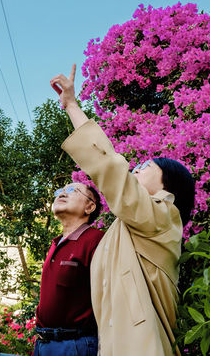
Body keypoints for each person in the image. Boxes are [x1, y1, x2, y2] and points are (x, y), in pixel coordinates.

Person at [51, 64, 196, 356]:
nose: (135, 170)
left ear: (168, 188)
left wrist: (72, 107)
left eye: (144, 167)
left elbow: (109, 168)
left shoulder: (163, 216)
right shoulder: (130, 225)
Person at [34, 179, 104, 355]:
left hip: (74, 345)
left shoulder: (96, 240)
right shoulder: (56, 243)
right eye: (60, 191)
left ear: (89, 207)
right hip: (44, 344)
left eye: (72, 190)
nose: (62, 194)